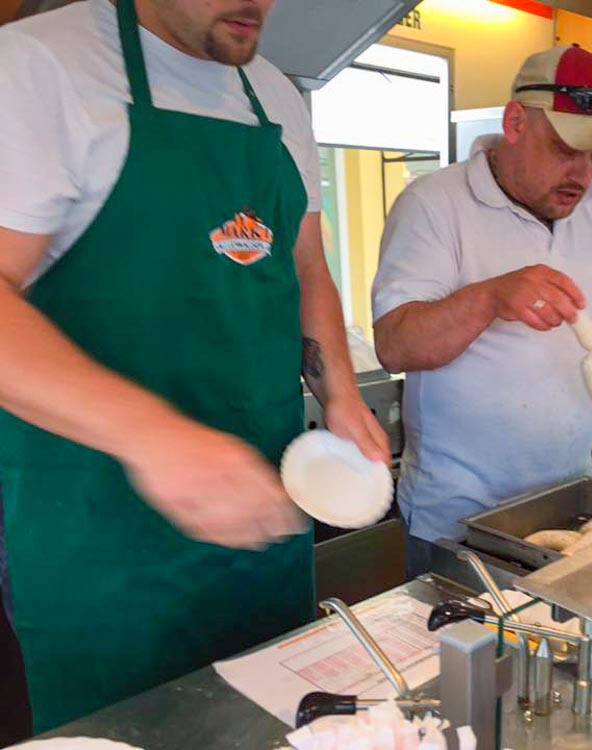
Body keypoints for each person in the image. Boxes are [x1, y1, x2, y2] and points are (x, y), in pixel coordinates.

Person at [0, 0, 388, 734]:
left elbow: (306, 263)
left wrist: (339, 392)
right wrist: (153, 435)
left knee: (273, 726)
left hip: (263, 522)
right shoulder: (39, 66)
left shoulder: (275, 95)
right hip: (100, 539)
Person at [372, 45, 592, 573]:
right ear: (515, 123)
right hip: (459, 518)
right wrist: (489, 297)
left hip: (571, 504)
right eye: (566, 149)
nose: (583, 173)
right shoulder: (435, 204)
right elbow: (395, 342)